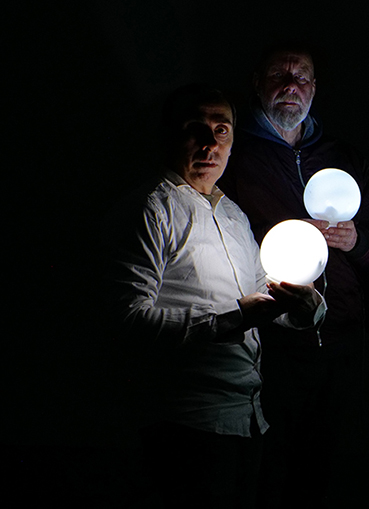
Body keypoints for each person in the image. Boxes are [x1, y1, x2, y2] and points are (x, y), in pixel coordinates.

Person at [106, 83, 326, 509]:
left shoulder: (232, 214)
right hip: (186, 424)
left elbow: (265, 294)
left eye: (221, 130)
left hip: (249, 420)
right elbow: (126, 320)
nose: (210, 144)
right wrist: (231, 318)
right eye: (196, 129)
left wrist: (307, 308)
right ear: (171, 135)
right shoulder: (151, 210)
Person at [217, 44, 369, 508]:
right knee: (268, 472)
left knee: (321, 474)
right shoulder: (235, 155)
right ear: (257, 82)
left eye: (303, 76)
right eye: (279, 74)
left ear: (314, 89)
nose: (292, 85)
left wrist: (359, 243)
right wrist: (285, 240)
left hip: (341, 343)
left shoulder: (342, 157)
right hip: (272, 346)